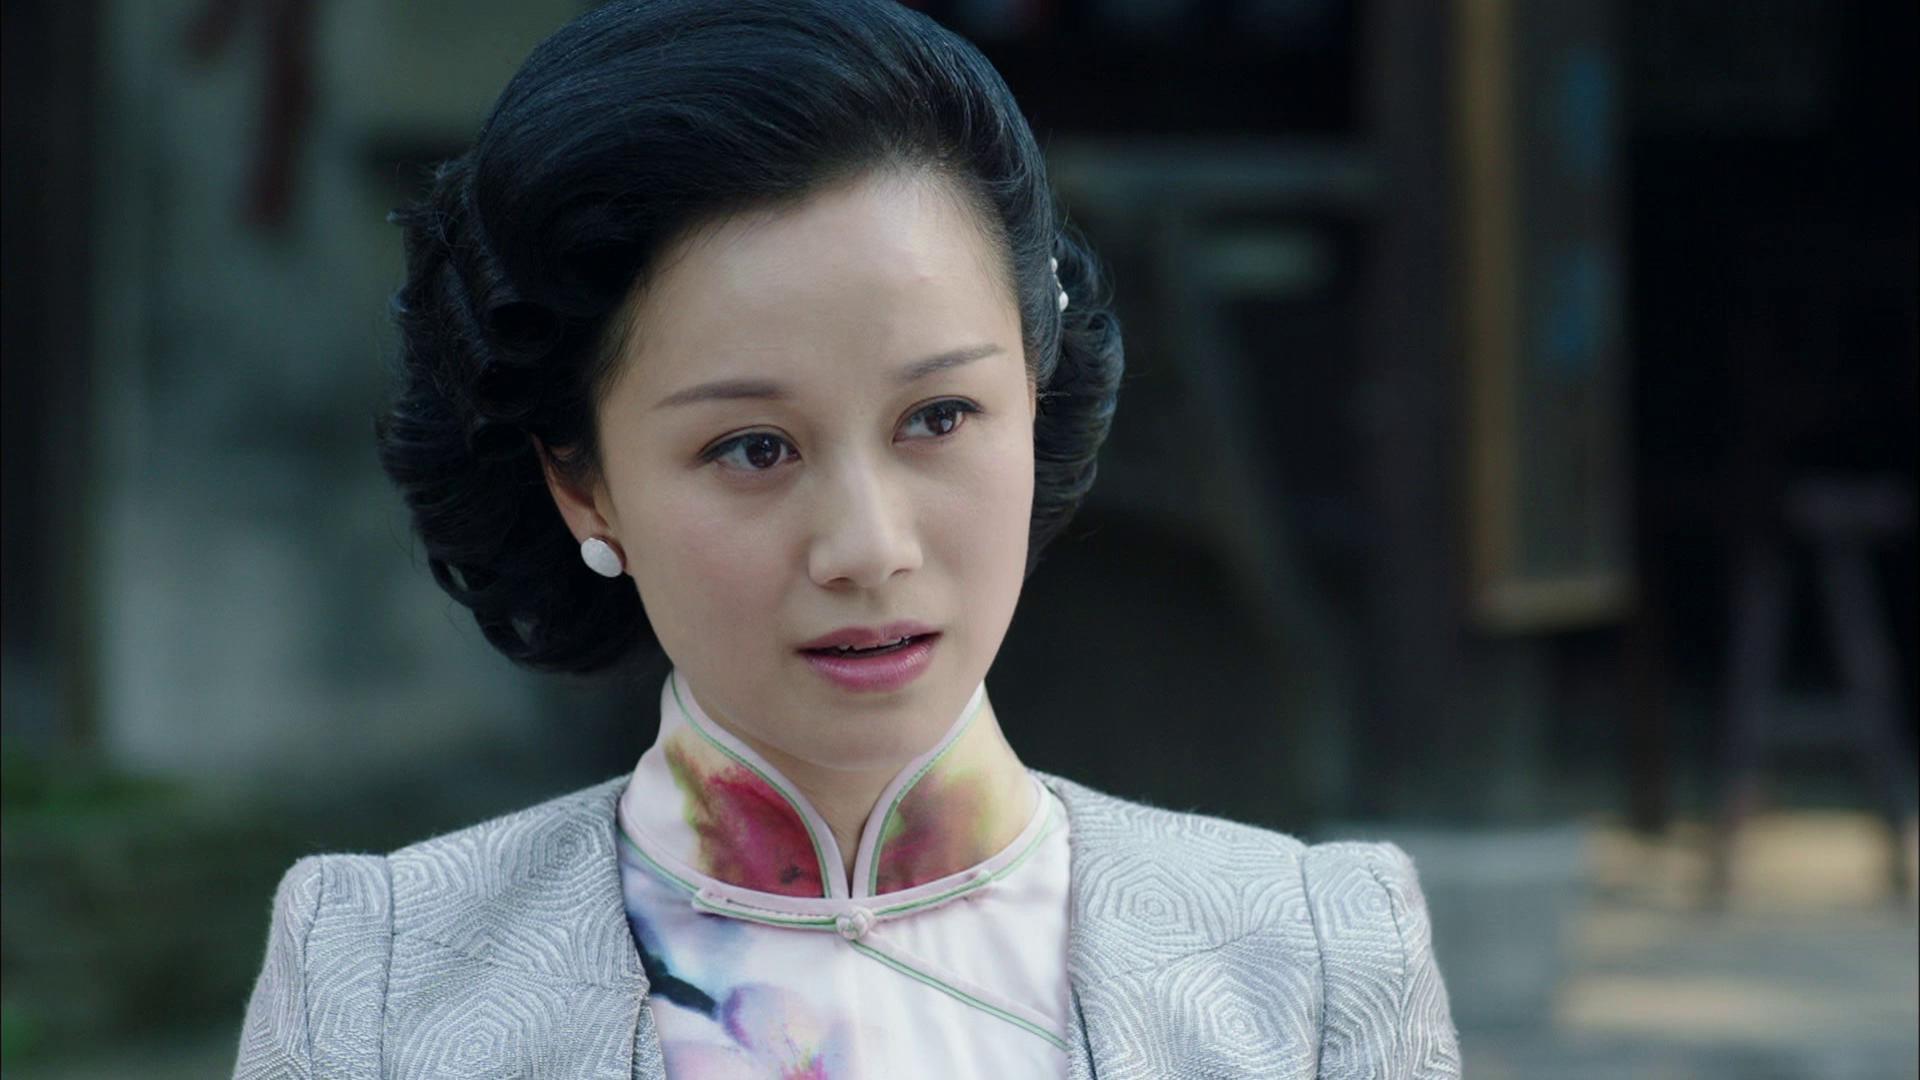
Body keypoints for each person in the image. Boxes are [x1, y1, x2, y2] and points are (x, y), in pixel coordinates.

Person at [233, 1, 1461, 1076]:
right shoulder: (383, 979)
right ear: (583, 485)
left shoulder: (1307, 962)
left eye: (939, 417)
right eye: (752, 448)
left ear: (1035, 401)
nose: (868, 549)